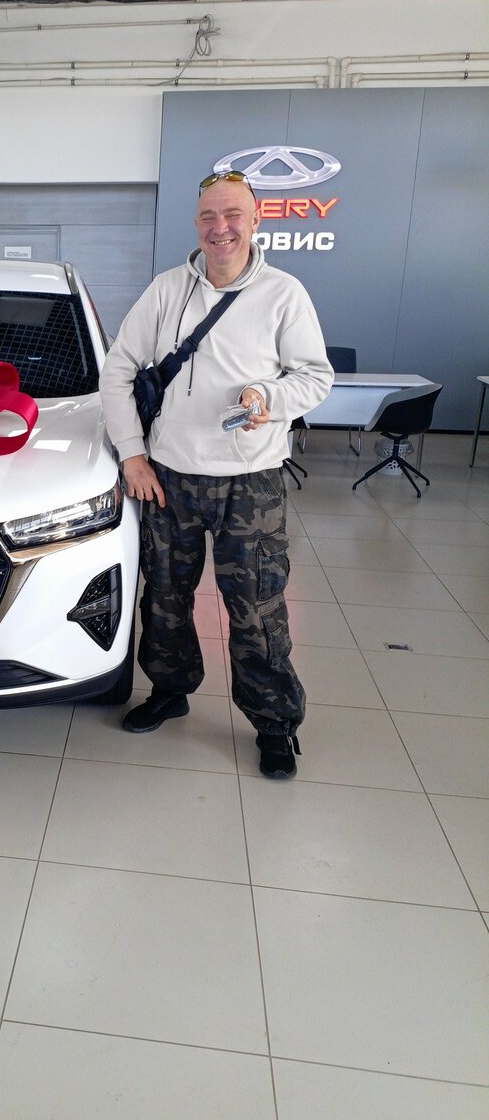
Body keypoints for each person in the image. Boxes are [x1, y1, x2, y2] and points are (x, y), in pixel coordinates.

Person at [99, 168, 333, 778]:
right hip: (168, 478)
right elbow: (118, 369)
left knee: (256, 606)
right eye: (208, 216)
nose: (220, 227)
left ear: (255, 220)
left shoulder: (284, 294)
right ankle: (169, 689)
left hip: (250, 482)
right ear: (197, 223)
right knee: (165, 599)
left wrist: (268, 398)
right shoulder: (166, 290)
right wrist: (132, 454)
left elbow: (315, 376)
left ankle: (275, 723)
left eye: (232, 215)